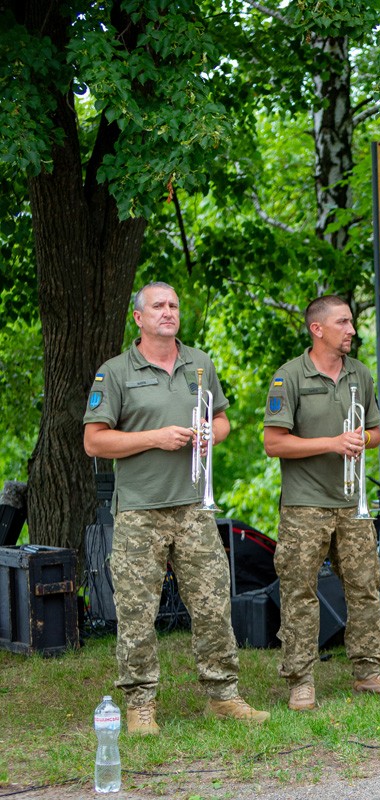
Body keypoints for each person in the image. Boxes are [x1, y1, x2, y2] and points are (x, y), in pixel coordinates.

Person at [83, 281, 268, 735]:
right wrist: (156, 437)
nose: (168, 312)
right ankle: (140, 704)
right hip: (139, 512)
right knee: (136, 611)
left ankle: (223, 695)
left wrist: (211, 433)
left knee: (211, 604)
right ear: (139, 317)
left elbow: (222, 420)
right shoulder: (114, 372)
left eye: (174, 305)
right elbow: (94, 441)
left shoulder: (199, 363)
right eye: (158, 306)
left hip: (194, 508)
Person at [263, 295, 380, 711]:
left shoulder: (361, 374)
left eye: (351, 323)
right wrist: (332, 442)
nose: (352, 330)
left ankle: (368, 671)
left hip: (351, 502)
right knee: (299, 592)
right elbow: (274, 443)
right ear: (317, 329)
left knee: (364, 587)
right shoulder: (289, 376)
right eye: (343, 323)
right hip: (304, 505)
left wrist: (364, 438)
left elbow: (377, 432)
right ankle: (301, 679)